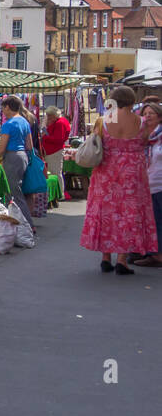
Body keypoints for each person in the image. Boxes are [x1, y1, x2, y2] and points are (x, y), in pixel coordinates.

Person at [79, 85, 158, 275]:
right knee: (129, 214)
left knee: (107, 211)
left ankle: (106, 257)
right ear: (132, 100)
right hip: (133, 173)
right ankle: (122, 260)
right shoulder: (141, 122)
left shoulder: (104, 120)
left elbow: (97, 142)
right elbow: (145, 141)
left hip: (107, 171)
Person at [0, 96, 36, 230]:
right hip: (23, 157)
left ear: (7, 107)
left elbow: (1, 148)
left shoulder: (8, 124)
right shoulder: (24, 122)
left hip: (12, 157)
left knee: (14, 193)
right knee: (16, 191)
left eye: (3, 108)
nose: (2, 111)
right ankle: (18, 223)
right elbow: (29, 145)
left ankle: (27, 225)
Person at [137, 102, 162, 267]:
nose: (148, 115)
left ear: (159, 116)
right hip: (146, 184)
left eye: (152, 112)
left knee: (158, 221)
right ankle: (152, 253)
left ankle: (158, 256)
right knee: (151, 221)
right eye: (145, 113)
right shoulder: (143, 135)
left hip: (160, 183)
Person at [41, 105, 71, 205]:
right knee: (54, 172)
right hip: (52, 151)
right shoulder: (58, 122)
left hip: (55, 151)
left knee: (55, 172)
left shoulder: (60, 123)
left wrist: (45, 137)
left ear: (54, 115)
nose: (48, 118)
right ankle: (57, 194)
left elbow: (58, 139)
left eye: (49, 116)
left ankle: (60, 194)